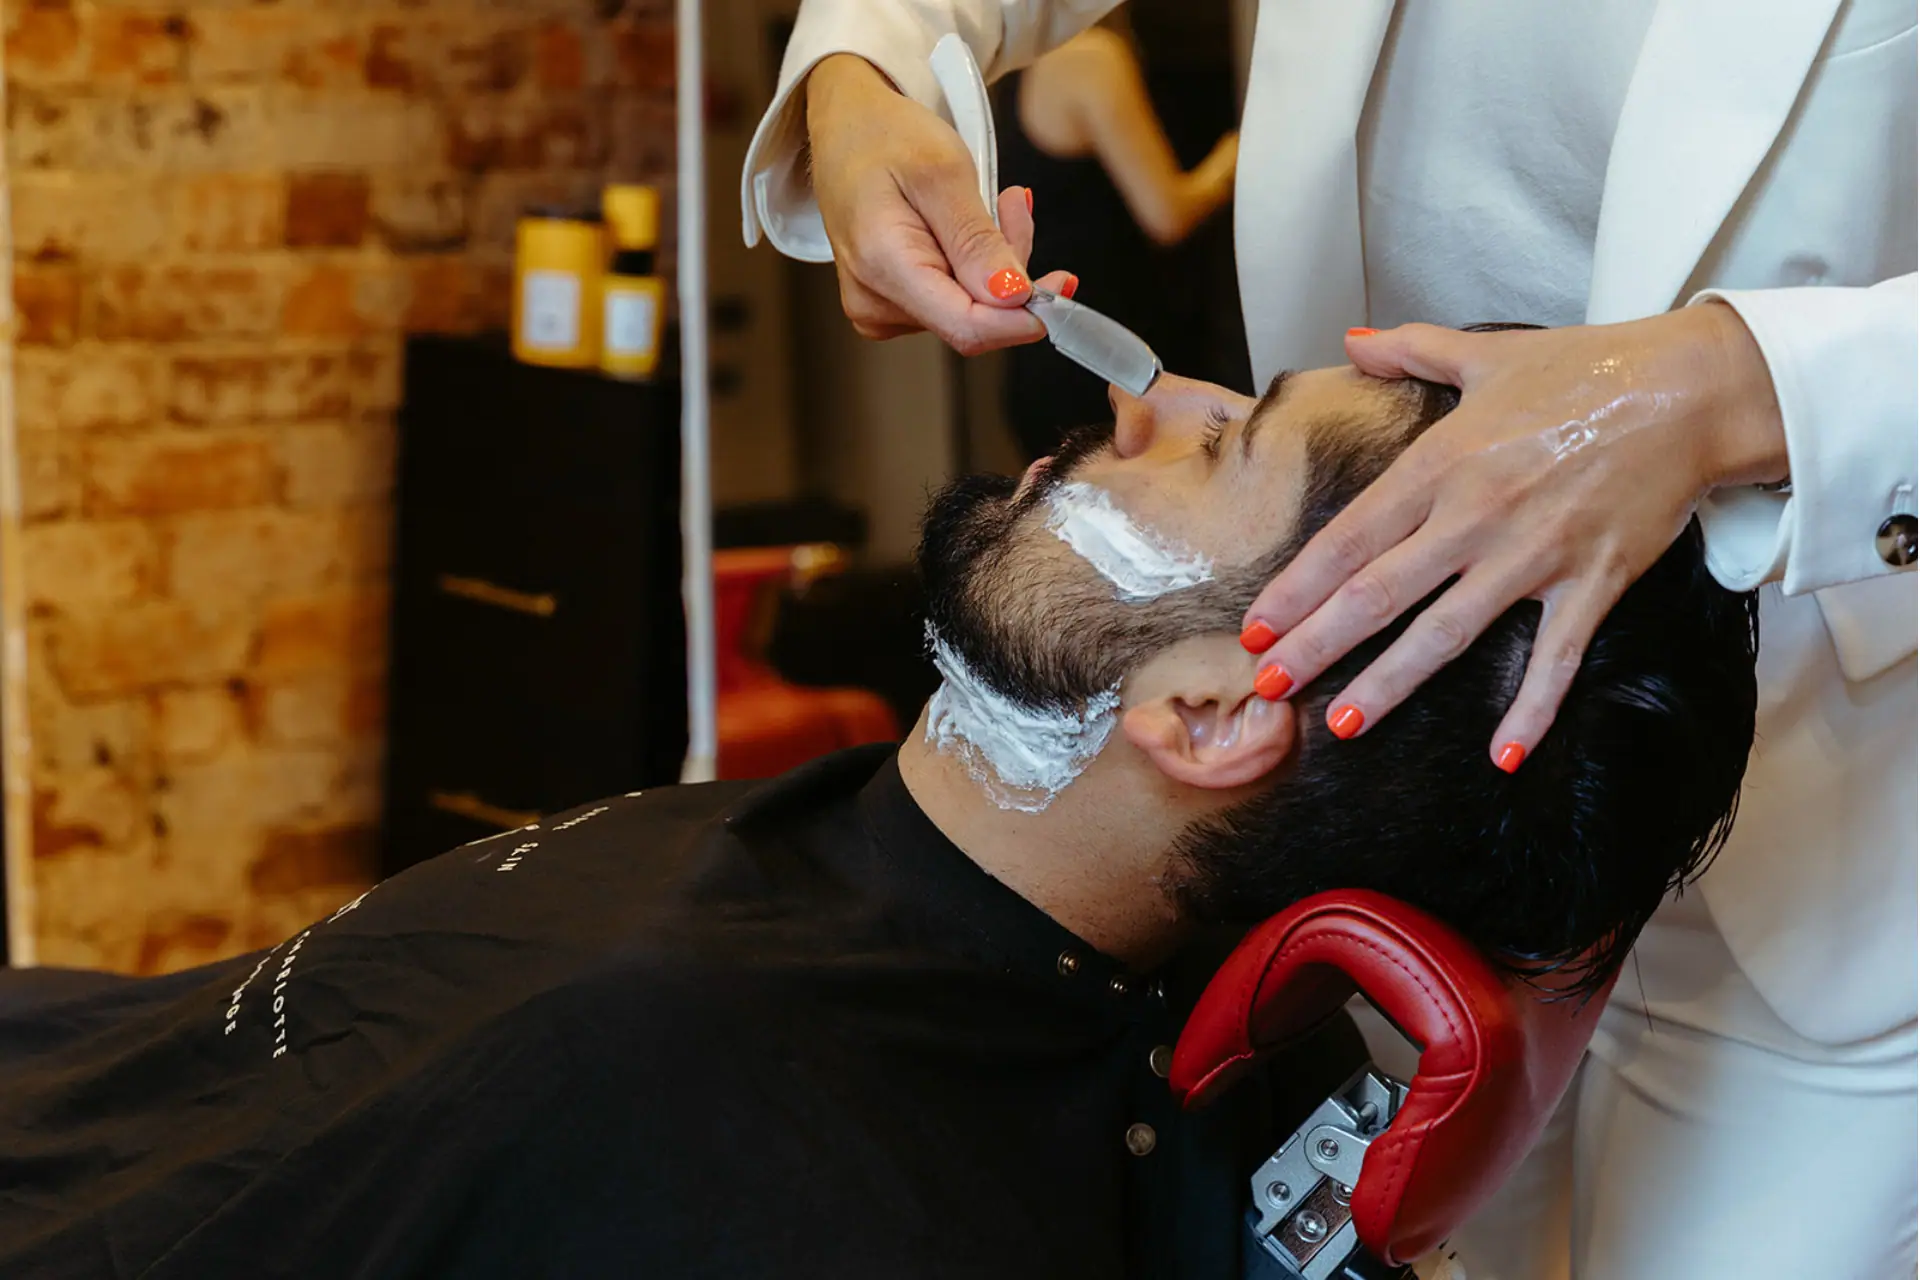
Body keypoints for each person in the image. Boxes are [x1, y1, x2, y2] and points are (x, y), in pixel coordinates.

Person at [0, 360, 1757, 1280]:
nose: (1142, 402)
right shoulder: (868, 934)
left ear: (1210, 713)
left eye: (1222, 449)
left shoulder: (759, 1139)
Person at [741, 3, 1918, 1273]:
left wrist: (1735, 385)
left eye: (1221, 428)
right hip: (1393, 784)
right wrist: (860, 77)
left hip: (1830, 798)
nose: (1144, 403)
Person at [994, 16, 1242, 459]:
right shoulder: (1091, 59)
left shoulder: (1015, 71)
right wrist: (1235, 155)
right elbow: (1166, 215)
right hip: (1109, 361)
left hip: (1043, 360)